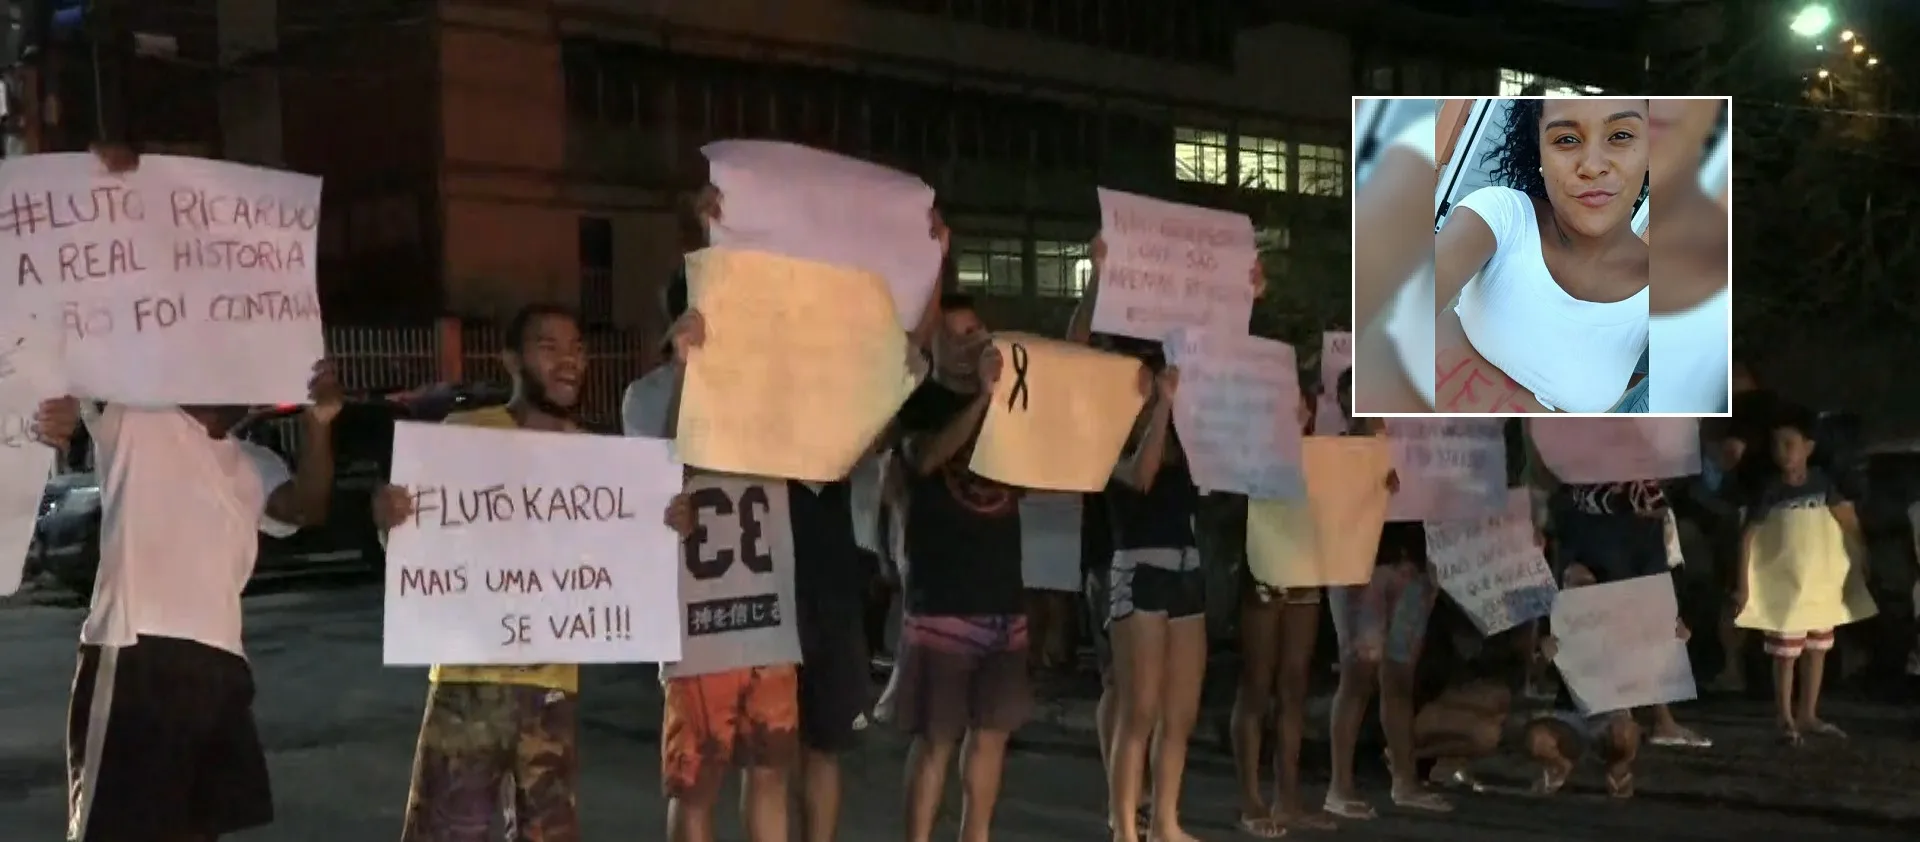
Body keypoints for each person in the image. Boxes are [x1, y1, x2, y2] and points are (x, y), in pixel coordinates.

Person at [378, 303, 601, 842]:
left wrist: (668, 524)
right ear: (511, 361)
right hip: (466, 681)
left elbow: (619, 564)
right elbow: (408, 545)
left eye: (576, 349)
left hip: (550, 691)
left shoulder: (598, 461)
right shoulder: (463, 434)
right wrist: (390, 519)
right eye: (548, 347)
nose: (568, 360)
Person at [893, 293, 1032, 842]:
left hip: (1003, 594)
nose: (971, 340)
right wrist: (981, 401)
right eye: (956, 333)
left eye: (977, 328)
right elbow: (925, 459)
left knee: (992, 734)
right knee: (936, 739)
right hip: (942, 600)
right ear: (935, 345)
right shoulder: (919, 401)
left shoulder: (1011, 406)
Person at [1435, 98, 1651, 413]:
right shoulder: (1504, 215)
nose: (1592, 166)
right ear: (1540, 155)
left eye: (1620, 136)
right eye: (1566, 139)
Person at [1322, 368, 1448, 818]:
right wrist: (1371, 486)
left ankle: (1405, 781)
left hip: (1410, 567)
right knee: (1357, 675)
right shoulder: (1336, 450)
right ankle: (1340, 786)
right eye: (1356, 399)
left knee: (1399, 675)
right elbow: (1327, 512)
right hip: (1361, 571)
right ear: (1342, 403)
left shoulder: (1413, 443)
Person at [1099, 357, 1210, 842]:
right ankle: (1125, 826)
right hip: (1138, 572)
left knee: (1179, 713)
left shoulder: (1185, 447)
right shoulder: (1108, 446)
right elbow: (1140, 476)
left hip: (1187, 572)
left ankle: (1166, 820)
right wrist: (1163, 407)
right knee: (1139, 709)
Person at [1230, 381, 1329, 837]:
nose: (1297, 412)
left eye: (1302, 404)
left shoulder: (1326, 456)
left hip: (1306, 576)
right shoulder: (1251, 453)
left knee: (1294, 686)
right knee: (1256, 684)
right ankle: (1250, 798)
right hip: (1265, 573)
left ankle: (1287, 797)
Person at [1741, 411, 1863, 744]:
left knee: (1817, 649)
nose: (1782, 451)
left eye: (1789, 444)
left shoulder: (1822, 483)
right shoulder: (1771, 489)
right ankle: (1785, 716)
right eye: (1776, 444)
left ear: (1808, 447)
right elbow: (1749, 535)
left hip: (1818, 583)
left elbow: (1846, 521)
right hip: (1786, 584)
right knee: (1785, 654)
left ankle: (1808, 713)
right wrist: (1744, 583)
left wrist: (1858, 563)